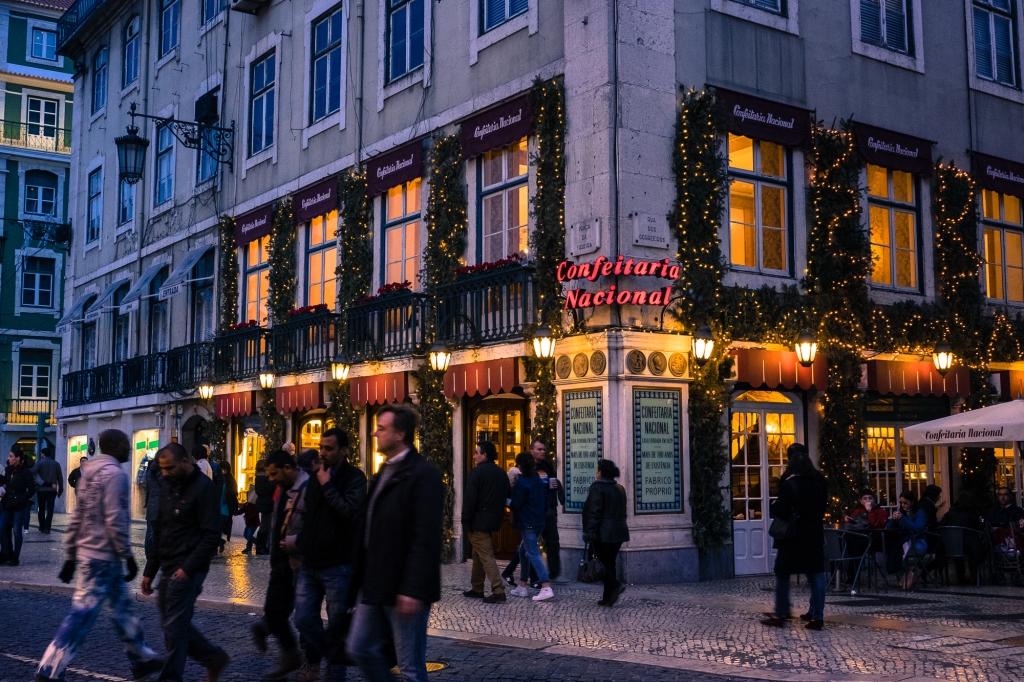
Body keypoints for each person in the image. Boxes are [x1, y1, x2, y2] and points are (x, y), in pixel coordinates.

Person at [35, 430, 162, 682]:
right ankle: (48, 669)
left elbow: (78, 515)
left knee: (122, 609)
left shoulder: (88, 472)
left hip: (91, 552)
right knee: (82, 614)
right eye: (126, 444)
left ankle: (141, 659)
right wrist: (128, 555)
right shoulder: (116, 474)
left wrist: (71, 555)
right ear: (114, 447)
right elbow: (115, 518)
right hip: (103, 555)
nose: (129, 448)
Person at [347, 404, 444, 682]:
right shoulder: (384, 472)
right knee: (358, 647)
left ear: (400, 434)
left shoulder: (422, 474)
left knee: (410, 666)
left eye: (381, 428)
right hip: (375, 581)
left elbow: (425, 537)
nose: (375, 433)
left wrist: (412, 589)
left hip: (403, 585)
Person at [141, 443, 230, 682]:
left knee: (175, 627)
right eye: (162, 469)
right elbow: (160, 529)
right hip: (169, 564)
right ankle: (212, 657)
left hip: (188, 567)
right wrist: (150, 570)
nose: (165, 473)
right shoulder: (168, 486)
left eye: (169, 468)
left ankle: (170, 678)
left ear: (185, 462)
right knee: (172, 623)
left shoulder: (204, 488)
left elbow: (211, 535)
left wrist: (188, 568)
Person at [294, 428, 366, 682]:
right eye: (321, 447)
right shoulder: (316, 477)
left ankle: (334, 676)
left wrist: (328, 485)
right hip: (311, 562)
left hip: (339, 564)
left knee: (337, 626)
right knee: (303, 618)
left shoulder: (355, 478)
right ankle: (321, 657)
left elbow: (349, 513)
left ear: (344, 451)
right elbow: (308, 515)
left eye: (329, 448)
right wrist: (301, 544)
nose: (322, 453)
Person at [252, 450, 307, 681]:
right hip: (281, 562)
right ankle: (287, 650)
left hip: (300, 564)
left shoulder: (307, 489)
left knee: (304, 619)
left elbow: (315, 526)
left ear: (288, 468)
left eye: (274, 473)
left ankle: (309, 661)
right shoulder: (283, 489)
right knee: (274, 610)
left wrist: (297, 543)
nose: (271, 478)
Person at [761, 443, 827, 630]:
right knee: (816, 575)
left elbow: (781, 510)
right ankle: (817, 616)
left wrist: (775, 505)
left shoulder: (789, 484)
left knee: (782, 573)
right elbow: (823, 507)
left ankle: (781, 612)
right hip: (814, 533)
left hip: (792, 536)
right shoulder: (819, 481)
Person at [461, 440, 511, 603]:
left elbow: (470, 499)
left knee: (486, 556)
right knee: (477, 554)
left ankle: (498, 591)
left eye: (476, 453)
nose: (474, 456)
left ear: (484, 455)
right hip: (493, 520)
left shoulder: (477, 473)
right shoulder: (501, 473)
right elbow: (507, 496)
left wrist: (465, 519)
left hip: (478, 520)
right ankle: (477, 587)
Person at [582, 459, 630, 606]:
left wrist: (589, 532)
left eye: (597, 469)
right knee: (610, 563)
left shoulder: (597, 488)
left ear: (601, 472)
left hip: (604, 533)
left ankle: (615, 585)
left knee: (602, 565)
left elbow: (593, 513)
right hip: (619, 532)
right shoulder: (620, 488)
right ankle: (608, 597)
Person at [508, 451, 554, 601]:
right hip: (539, 522)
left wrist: (504, 500)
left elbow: (515, 505)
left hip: (527, 523)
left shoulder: (521, 483)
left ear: (520, 466)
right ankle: (522, 587)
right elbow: (546, 500)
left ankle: (546, 587)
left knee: (533, 554)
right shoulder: (538, 480)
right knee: (523, 552)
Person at [531, 440, 565, 582]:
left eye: (544, 449)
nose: (543, 452)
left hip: (548, 510)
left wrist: (553, 486)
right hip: (534, 511)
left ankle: (554, 572)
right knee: (530, 544)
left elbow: (550, 482)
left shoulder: (546, 466)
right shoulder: (529, 466)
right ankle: (531, 574)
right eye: (539, 449)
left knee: (553, 541)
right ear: (532, 450)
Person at [885, 489, 929, 590]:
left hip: (918, 542)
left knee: (901, 551)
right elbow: (888, 528)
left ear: (912, 502)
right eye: (901, 503)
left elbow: (918, 528)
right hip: (903, 542)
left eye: (906, 503)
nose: (903, 505)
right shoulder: (902, 513)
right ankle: (903, 574)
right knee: (891, 551)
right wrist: (893, 520)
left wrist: (902, 519)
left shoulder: (919, 513)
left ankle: (907, 574)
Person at [939, 491, 985, 585]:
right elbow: (977, 528)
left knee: (959, 552)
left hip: (952, 545)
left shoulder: (951, 513)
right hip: (970, 545)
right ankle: (974, 575)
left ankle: (960, 576)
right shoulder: (973, 513)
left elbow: (941, 525)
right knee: (980, 546)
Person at [0, 448, 36, 565]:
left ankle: (15, 557)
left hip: (19, 506)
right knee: (1, 528)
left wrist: (22, 498)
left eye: (11, 456)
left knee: (16, 531)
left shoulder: (25, 471)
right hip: (8, 504)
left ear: (18, 458)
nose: (8, 458)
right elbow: (4, 482)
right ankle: (6, 553)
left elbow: (31, 489)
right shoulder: (7, 470)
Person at [33, 447, 64, 533]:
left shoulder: (40, 463)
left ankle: (42, 526)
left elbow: (33, 471)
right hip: (52, 490)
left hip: (41, 490)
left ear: (43, 454)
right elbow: (60, 478)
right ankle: (48, 527)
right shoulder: (56, 464)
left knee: (41, 509)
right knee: (50, 509)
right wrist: (60, 489)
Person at [254, 459, 276, 555]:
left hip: (264, 503)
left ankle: (262, 546)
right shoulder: (264, 478)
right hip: (266, 503)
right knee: (265, 525)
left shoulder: (259, 477)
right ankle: (261, 546)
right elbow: (272, 487)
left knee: (265, 525)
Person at [218, 460, 239, 553]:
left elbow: (230, 495)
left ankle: (220, 542)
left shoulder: (230, 480)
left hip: (225, 508)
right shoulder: (222, 479)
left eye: (224, 469)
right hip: (220, 507)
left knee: (218, 527)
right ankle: (219, 542)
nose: (222, 471)